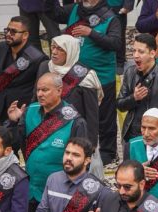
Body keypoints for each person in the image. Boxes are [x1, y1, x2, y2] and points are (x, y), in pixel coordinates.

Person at [48, 0, 122, 164]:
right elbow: (54, 13)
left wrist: (91, 33)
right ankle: (79, 148)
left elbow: (116, 44)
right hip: (76, 76)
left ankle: (108, 153)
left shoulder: (110, 18)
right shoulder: (75, 9)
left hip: (102, 76)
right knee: (78, 114)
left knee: (105, 117)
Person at [8, 73, 89, 212]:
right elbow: (13, 144)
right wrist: (13, 122)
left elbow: (82, 163)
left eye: (45, 90)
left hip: (59, 194)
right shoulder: (29, 112)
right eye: (38, 90)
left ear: (59, 90)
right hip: (33, 191)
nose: (40, 94)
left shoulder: (74, 120)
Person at [35, 36, 101, 148]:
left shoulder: (85, 76)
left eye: (60, 49)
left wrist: (91, 144)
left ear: (71, 51)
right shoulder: (45, 67)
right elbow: (35, 99)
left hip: (73, 131)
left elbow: (92, 115)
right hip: (46, 129)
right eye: (53, 47)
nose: (54, 52)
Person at [118, 34, 158, 142]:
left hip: (156, 138)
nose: (136, 55)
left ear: (152, 53)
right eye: (134, 51)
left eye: (141, 52)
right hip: (132, 135)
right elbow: (120, 105)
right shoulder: (130, 73)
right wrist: (134, 98)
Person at [0, 16, 48, 126]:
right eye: (7, 30)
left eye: (13, 31)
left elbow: (37, 89)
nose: (8, 34)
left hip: (23, 111)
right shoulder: (1, 48)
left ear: (25, 35)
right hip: (3, 107)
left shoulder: (38, 58)